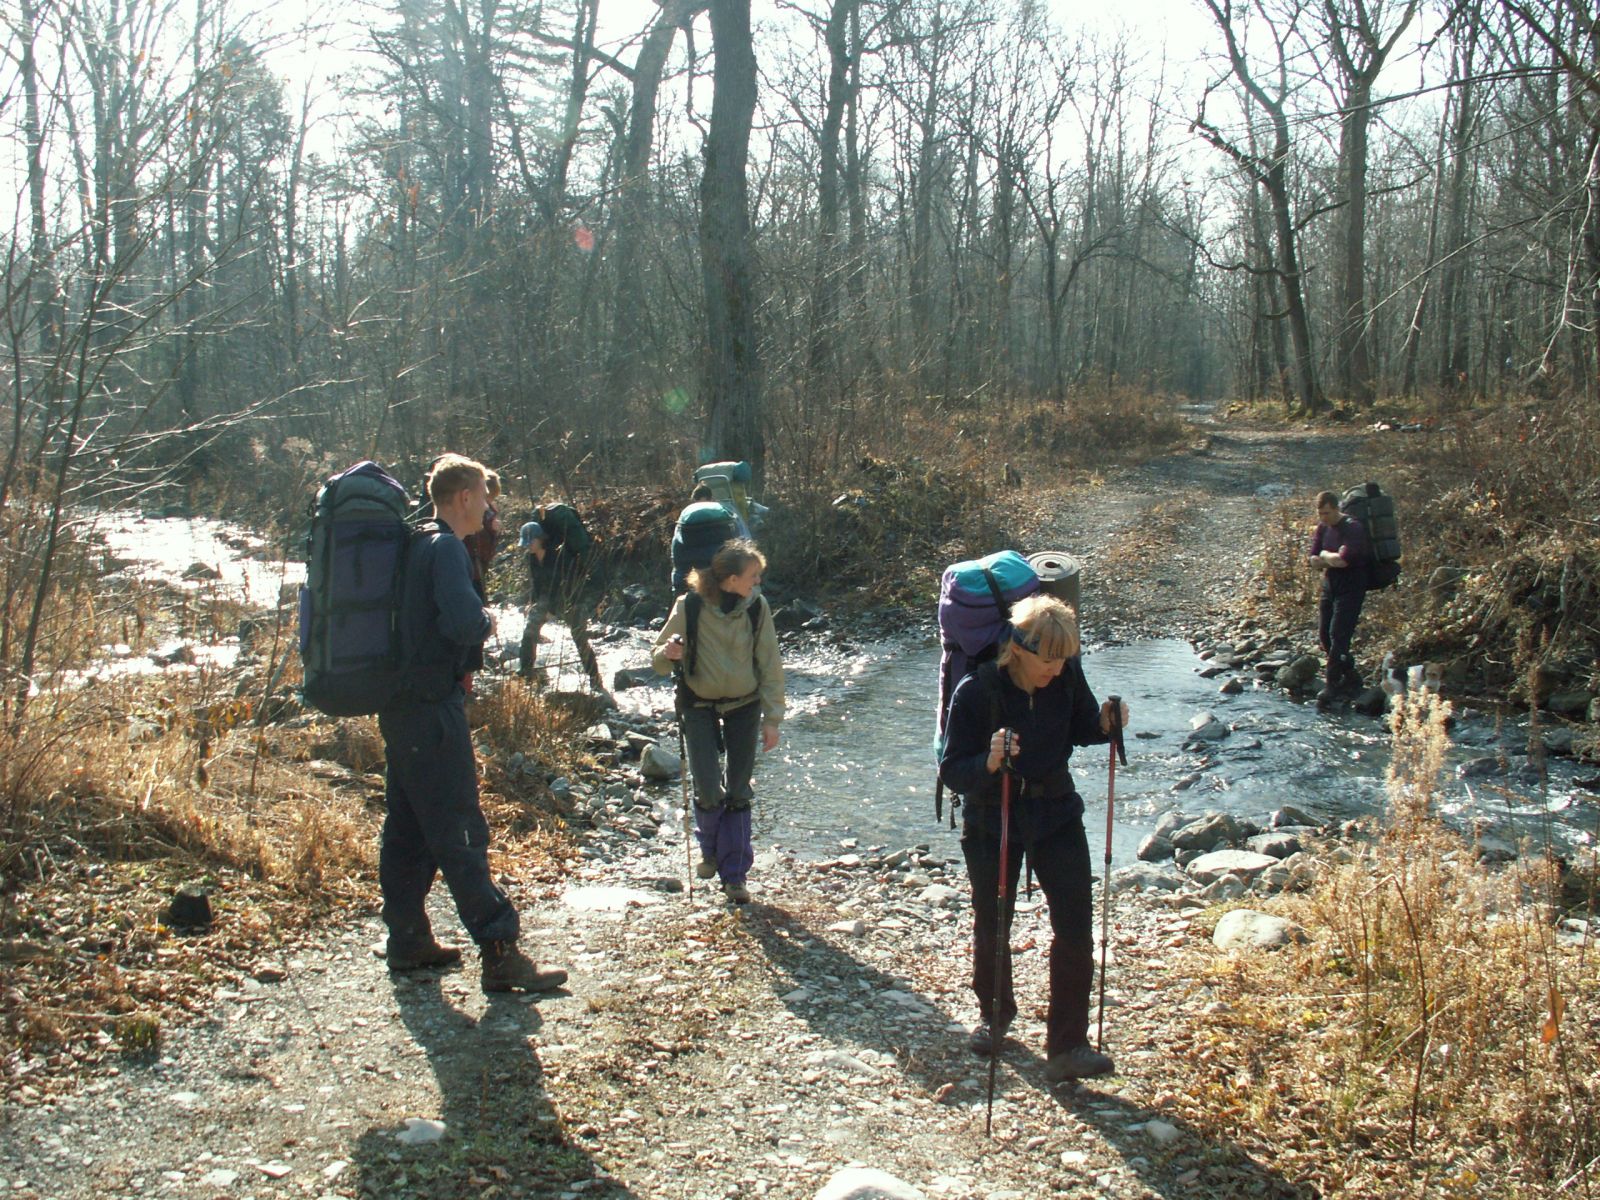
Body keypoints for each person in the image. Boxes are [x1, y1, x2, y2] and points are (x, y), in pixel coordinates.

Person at [379, 453, 567, 993]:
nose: (489, 507)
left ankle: (409, 940)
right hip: (432, 709)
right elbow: (464, 622)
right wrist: (488, 618)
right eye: (484, 496)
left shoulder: (414, 543)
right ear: (463, 497)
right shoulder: (444, 550)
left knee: (409, 826)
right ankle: (499, 950)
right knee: (460, 825)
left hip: (400, 707)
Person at [938, 594, 1130, 1083]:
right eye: (1049, 658)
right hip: (992, 814)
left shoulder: (1065, 677)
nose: (1057, 668)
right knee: (993, 917)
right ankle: (994, 1015)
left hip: (1056, 811)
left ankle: (1068, 1045)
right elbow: (953, 772)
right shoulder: (975, 691)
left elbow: (1085, 726)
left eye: (1065, 658)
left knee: (1074, 926)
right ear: (1018, 648)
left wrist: (1108, 723)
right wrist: (989, 759)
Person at [651, 540, 785, 905]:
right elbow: (658, 660)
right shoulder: (689, 605)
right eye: (753, 577)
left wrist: (773, 718)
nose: (757, 583)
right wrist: (668, 653)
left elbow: (770, 664)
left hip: (745, 705)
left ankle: (735, 876)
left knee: (739, 790)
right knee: (709, 789)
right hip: (698, 706)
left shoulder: (757, 608)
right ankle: (709, 849)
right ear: (730, 579)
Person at [517, 504, 604, 692]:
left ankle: (595, 679)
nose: (527, 546)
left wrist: (555, 607)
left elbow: (571, 581)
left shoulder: (561, 555)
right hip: (546, 598)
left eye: (530, 542)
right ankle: (525, 673)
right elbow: (536, 583)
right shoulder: (532, 558)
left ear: (540, 539)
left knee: (580, 640)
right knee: (529, 633)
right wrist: (533, 604)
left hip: (571, 599)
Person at [1308, 489, 1370, 709]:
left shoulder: (1353, 527)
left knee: (1339, 634)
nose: (1323, 518)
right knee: (1324, 634)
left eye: (1326, 513)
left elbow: (1343, 561)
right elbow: (1313, 559)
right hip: (1330, 584)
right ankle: (1351, 676)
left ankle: (1332, 684)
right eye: (1320, 514)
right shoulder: (1323, 528)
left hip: (1352, 585)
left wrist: (1326, 556)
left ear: (1336, 508)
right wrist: (1327, 558)